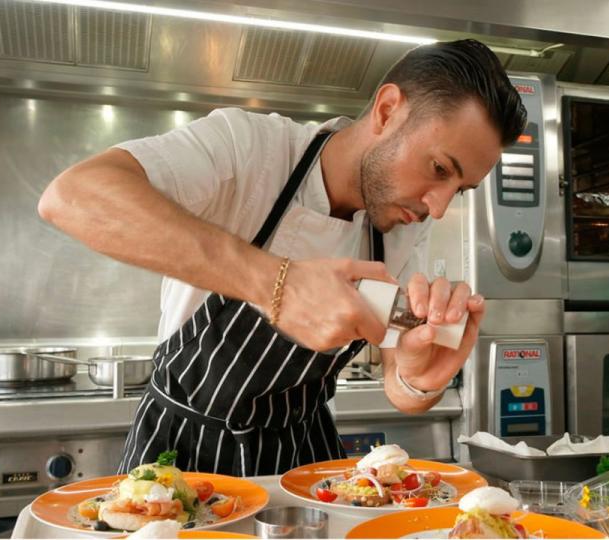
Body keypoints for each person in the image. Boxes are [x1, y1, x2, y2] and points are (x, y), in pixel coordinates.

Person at [38, 38, 527, 476]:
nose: (437, 208)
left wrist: (419, 378)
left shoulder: (398, 227)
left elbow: (399, 381)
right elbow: (73, 196)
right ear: (386, 111)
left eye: (459, 190)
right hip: (180, 454)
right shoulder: (248, 147)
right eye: (439, 168)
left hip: (304, 458)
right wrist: (277, 282)